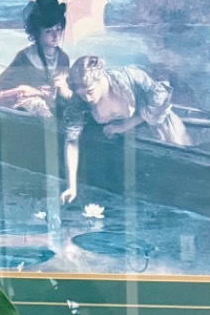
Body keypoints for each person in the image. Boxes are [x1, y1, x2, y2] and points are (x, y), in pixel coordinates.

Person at [58, 56, 190, 206]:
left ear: (100, 78)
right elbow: (71, 141)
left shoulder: (129, 77)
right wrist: (71, 186)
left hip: (160, 128)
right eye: (82, 94)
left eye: (90, 91)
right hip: (132, 142)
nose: (87, 98)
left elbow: (160, 98)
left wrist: (126, 125)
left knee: (178, 174)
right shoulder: (79, 101)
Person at [0, 0, 70, 116]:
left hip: (53, 109)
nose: (55, 36)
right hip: (25, 106)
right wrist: (34, 91)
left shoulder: (63, 58)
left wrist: (62, 89)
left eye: (58, 29)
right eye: (48, 31)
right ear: (37, 32)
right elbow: (4, 84)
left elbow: (64, 94)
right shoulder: (26, 57)